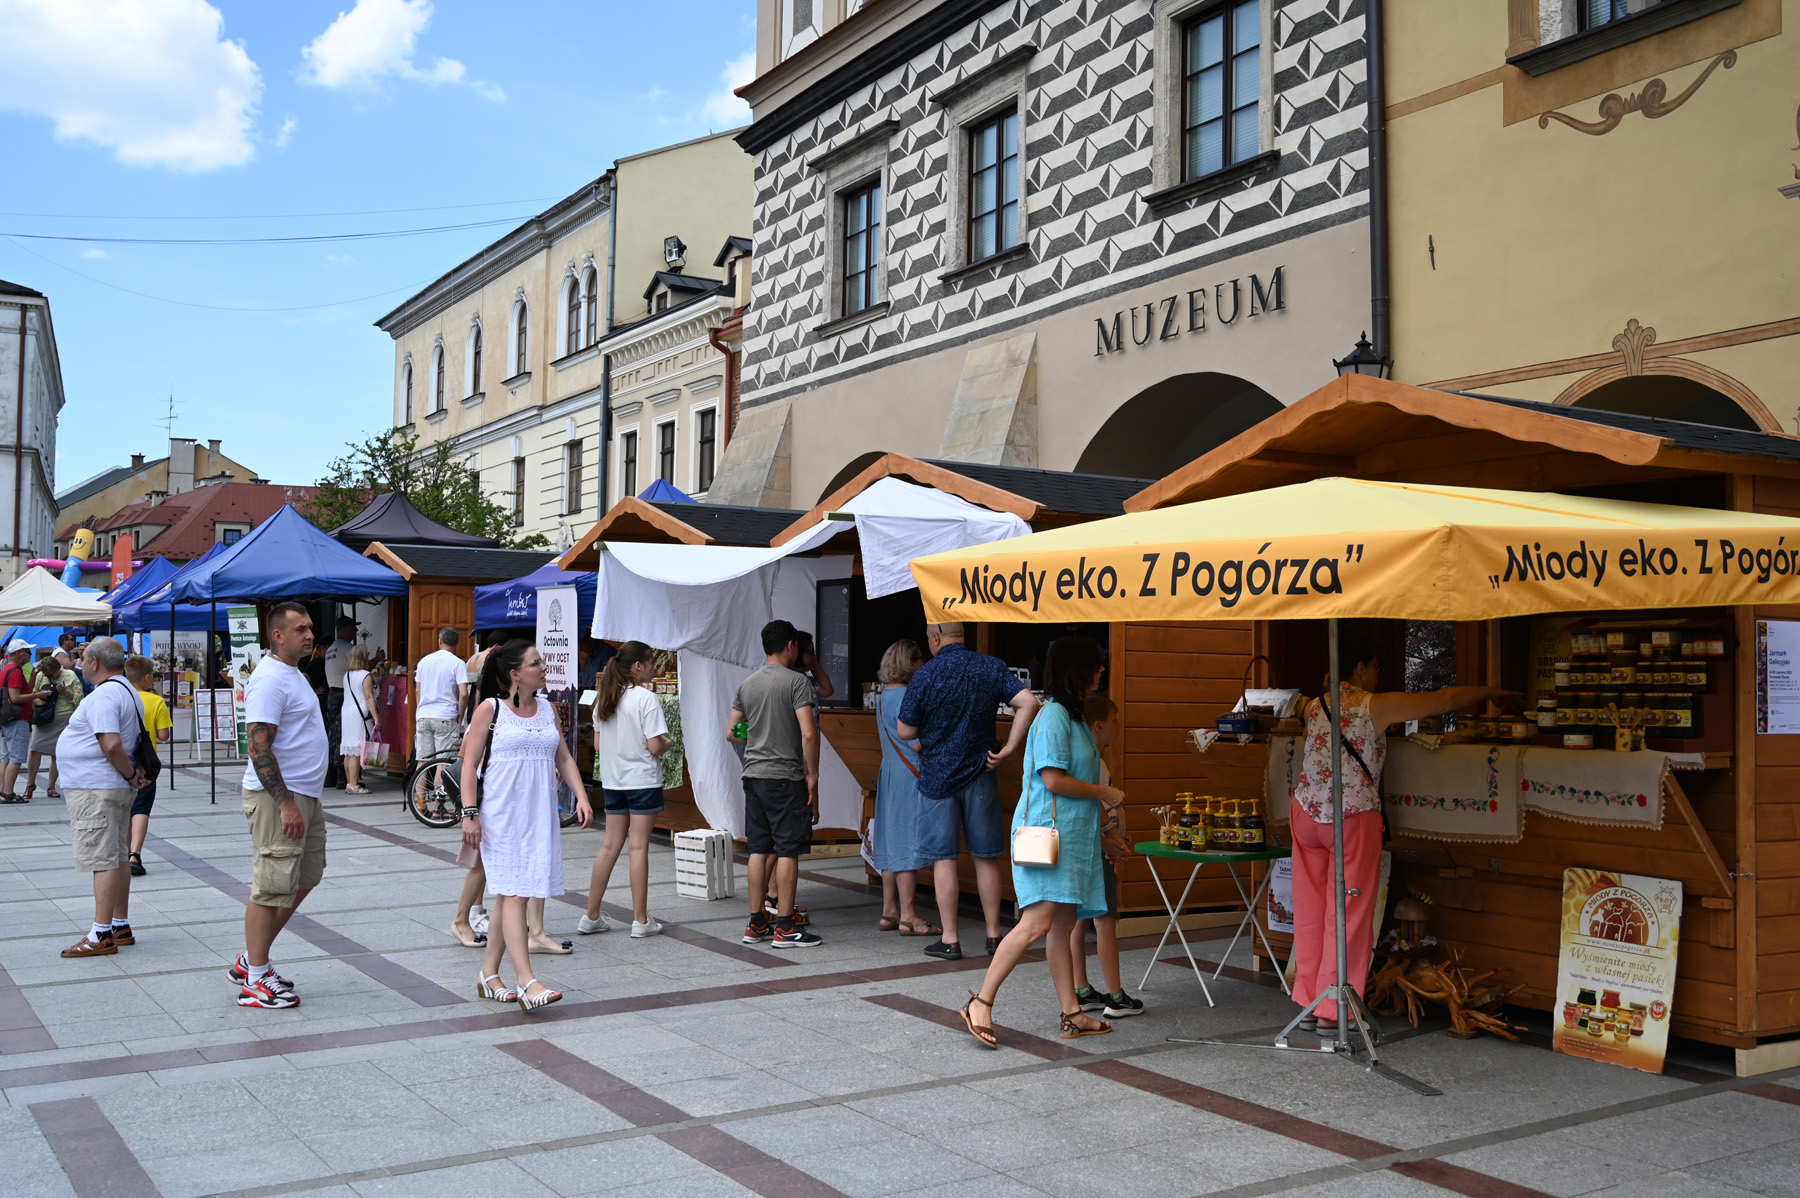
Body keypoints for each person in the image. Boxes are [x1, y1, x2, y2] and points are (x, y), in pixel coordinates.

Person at [1287, 627, 1517, 1034]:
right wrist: (1490, 691)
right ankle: (1334, 1010)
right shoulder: (1374, 705)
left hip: (1306, 813)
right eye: (1376, 667)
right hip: (1350, 815)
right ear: (1360, 668)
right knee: (1349, 911)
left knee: (1311, 909)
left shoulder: (1315, 705)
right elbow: (1442, 700)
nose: (1378, 675)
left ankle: (1309, 1002)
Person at [961, 636, 1118, 1047]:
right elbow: (1053, 780)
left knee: (1061, 926)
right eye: (1095, 664)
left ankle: (1072, 1014)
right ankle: (980, 1002)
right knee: (1037, 923)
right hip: (1048, 840)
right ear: (1077, 670)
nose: (1102, 669)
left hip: (1070, 841)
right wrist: (1104, 793)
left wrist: (1105, 835)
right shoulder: (1053, 717)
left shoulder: (1074, 718)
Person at [460, 640, 593, 1010]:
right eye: (536, 663)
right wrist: (469, 814)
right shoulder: (490, 709)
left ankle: (489, 974)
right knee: (517, 895)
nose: (544, 667)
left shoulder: (548, 709)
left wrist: (582, 797)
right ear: (515, 674)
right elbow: (469, 765)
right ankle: (527, 982)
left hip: (539, 816)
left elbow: (563, 757)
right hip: (501, 817)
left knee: (509, 895)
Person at [897, 622, 1041, 960]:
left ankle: (950, 940)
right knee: (985, 857)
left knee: (944, 859)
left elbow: (905, 730)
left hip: (938, 778)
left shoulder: (926, 674)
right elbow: (1029, 703)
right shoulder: (990, 666)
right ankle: (994, 936)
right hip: (981, 773)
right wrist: (1009, 749)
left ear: (935, 638)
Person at [233, 602, 329, 1008]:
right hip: (281, 798)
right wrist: (285, 803)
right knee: (272, 886)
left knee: (305, 876)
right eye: (301, 629)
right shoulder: (270, 679)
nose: (310, 635)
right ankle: (255, 979)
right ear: (277, 635)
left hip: (306, 794)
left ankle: (251, 960)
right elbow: (258, 747)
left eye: (310, 628)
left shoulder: (294, 673)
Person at [729, 620, 822, 949]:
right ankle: (785, 927)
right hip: (785, 777)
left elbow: (732, 732)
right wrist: (813, 774)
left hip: (753, 776)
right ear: (791, 645)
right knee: (787, 850)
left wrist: (756, 738)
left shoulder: (748, 684)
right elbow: (808, 733)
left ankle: (756, 923)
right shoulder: (797, 682)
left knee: (758, 849)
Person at [55, 637, 148, 958]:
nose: (80, 662)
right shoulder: (126, 690)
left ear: (95, 661)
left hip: (97, 788)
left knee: (103, 859)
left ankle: (100, 934)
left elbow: (111, 743)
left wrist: (128, 773)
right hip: (109, 786)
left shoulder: (105, 695)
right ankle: (119, 925)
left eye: (83, 657)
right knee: (117, 856)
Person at [580, 641, 668, 938]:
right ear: (638, 666)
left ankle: (591, 915)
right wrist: (668, 743)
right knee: (638, 847)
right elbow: (655, 746)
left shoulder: (606, 697)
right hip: (642, 780)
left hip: (613, 781)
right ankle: (641, 920)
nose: (655, 667)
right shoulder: (645, 698)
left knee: (609, 846)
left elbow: (598, 745)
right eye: (651, 662)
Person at [1069, 696, 1142, 1018]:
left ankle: (1082, 989)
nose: (1119, 725)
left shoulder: (1088, 755)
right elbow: (1096, 805)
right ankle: (1116, 996)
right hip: (1098, 847)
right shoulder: (1090, 760)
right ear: (1099, 726)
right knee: (1105, 919)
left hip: (1091, 844)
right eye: (1115, 719)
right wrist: (1112, 839)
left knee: (1078, 918)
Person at [871, 640, 935, 936]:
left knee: (889, 842)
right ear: (910, 663)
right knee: (907, 842)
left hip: (889, 773)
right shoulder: (908, 696)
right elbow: (916, 743)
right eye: (919, 658)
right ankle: (909, 915)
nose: (924, 663)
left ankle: (889, 911)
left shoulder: (884, 695)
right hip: (910, 775)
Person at [122, 656, 172, 881]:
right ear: (148, 677)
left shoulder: (121, 697)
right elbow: (163, 736)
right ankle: (135, 855)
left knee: (124, 810)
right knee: (141, 809)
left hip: (122, 762)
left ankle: (122, 856)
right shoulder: (156, 701)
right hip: (145, 764)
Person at [25, 650, 82, 801]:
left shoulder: (70, 675)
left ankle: (51, 786)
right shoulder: (41, 676)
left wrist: (65, 691)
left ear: (57, 668)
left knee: (56, 754)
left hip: (63, 718)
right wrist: (37, 700)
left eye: (51, 674)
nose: (49, 676)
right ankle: (30, 784)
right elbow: (33, 693)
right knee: (35, 749)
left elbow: (79, 698)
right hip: (44, 718)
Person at [0, 639, 51, 803]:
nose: (30, 654)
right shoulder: (15, 671)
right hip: (18, 718)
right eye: (27, 651)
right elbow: (16, 697)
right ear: (18, 654)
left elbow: (22, 690)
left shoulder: (6, 669)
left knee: (5, 757)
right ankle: (8, 793)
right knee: (16, 758)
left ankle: (2, 791)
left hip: (7, 718)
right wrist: (38, 695)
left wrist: (33, 676)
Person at [415, 627, 469, 761]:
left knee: (422, 761)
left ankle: (420, 776)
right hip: (446, 715)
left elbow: (417, 691)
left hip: (424, 714)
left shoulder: (424, 661)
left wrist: (420, 710)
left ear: (440, 640)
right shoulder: (458, 663)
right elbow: (464, 694)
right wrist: (460, 715)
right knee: (443, 762)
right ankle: (439, 777)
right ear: (457, 643)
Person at [322, 615, 356, 788]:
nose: (355, 632)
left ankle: (330, 775)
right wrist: (378, 658)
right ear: (345, 629)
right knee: (343, 733)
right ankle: (341, 775)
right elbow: (361, 666)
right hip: (344, 694)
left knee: (332, 733)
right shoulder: (348, 648)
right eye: (352, 628)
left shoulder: (331, 649)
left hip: (332, 693)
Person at [338, 647, 377, 795]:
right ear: (364, 657)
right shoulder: (366, 675)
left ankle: (350, 782)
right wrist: (376, 717)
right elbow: (369, 697)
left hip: (347, 712)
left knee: (349, 750)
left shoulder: (347, 675)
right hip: (359, 714)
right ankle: (354, 784)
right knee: (356, 749)